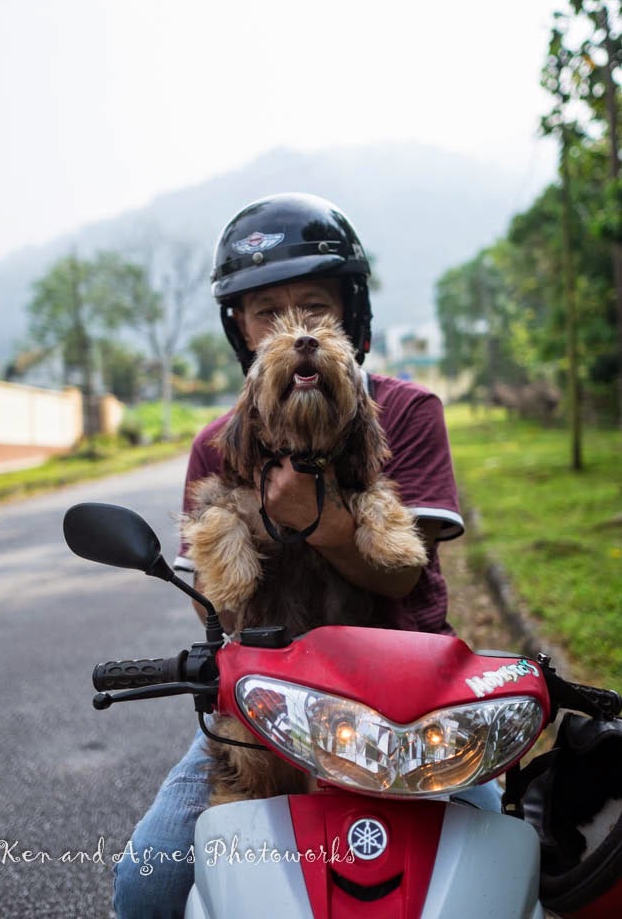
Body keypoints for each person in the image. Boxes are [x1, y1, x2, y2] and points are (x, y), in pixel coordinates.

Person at [112, 192, 498, 919]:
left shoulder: (408, 415)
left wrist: (313, 515)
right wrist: (248, 522)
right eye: (270, 316)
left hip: (406, 701)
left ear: (351, 319)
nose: (298, 334)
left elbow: (401, 570)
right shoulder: (215, 448)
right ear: (242, 332)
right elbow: (225, 605)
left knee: (500, 862)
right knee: (145, 884)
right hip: (267, 709)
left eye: (316, 311)